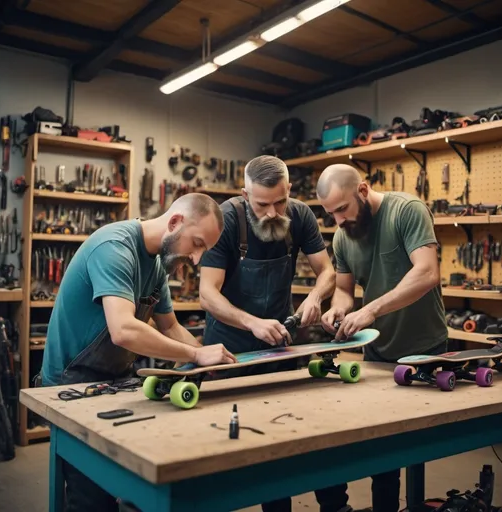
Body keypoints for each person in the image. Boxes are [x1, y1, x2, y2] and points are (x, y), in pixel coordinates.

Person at [39, 192, 237, 512]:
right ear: (175, 222)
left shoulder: (156, 265)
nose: (197, 259)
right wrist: (196, 356)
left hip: (113, 382)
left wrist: (207, 359)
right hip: (69, 385)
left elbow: (170, 327)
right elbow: (123, 330)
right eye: (197, 244)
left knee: (129, 483)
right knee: (91, 497)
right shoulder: (115, 248)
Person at [199, 155, 353, 512]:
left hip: (280, 343)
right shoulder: (226, 220)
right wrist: (251, 322)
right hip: (232, 349)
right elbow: (208, 294)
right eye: (262, 204)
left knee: (298, 430)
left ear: (289, 191)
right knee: (241, 445)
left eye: (280, 201)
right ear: (244, 195)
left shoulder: (299, 216)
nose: (272, 212)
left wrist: (316, 295)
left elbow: (327, 270)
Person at [316, 164, 448, 512]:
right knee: (380, 452)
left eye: (341, 209)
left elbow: (427, 272)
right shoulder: (342, 237)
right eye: (330, 214)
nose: (338, 221)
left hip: (422, 351)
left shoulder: (406, 211)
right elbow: (344, 290)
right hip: (378, 353)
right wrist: (338, 310)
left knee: (394, 449)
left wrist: (371, 310)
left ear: (362, 190)